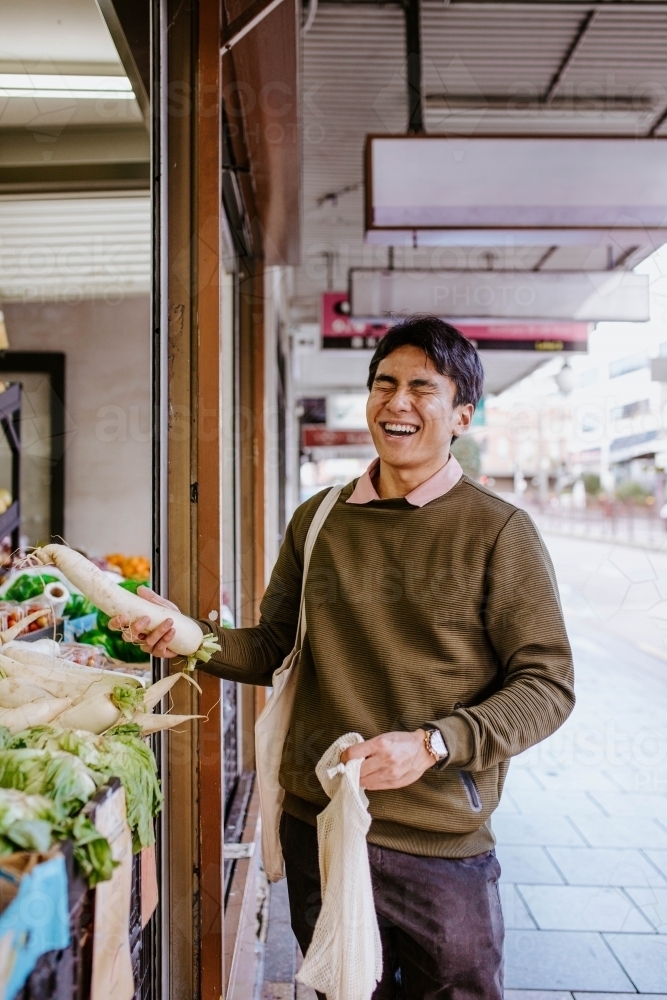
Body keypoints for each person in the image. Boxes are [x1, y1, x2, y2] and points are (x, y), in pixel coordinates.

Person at [116, 316, 575, 1000]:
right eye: (383, 384)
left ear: (460, 415)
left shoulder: (498, 530)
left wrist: (433, 744)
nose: (396, 402)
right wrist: (186, 636)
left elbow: (547, 686)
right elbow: (273, 647)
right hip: (319, 826)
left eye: (422, 387)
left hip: (436, 842)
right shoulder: (318, 518)